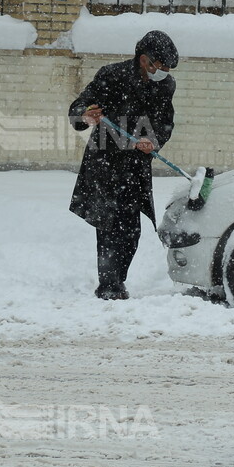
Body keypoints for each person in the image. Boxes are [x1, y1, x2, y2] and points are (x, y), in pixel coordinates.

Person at [68, 30, 178, 299]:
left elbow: (165, 121)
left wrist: (153, 140)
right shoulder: (111, 75)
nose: (163, 71)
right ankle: (109, 285)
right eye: (160, 66)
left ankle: (119, 278)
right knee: (107, 224)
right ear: (144, 60)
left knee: (131, 229)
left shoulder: (165, 85)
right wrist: (85, 115)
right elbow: (79, 108)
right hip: (105, 161)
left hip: (136, 165)